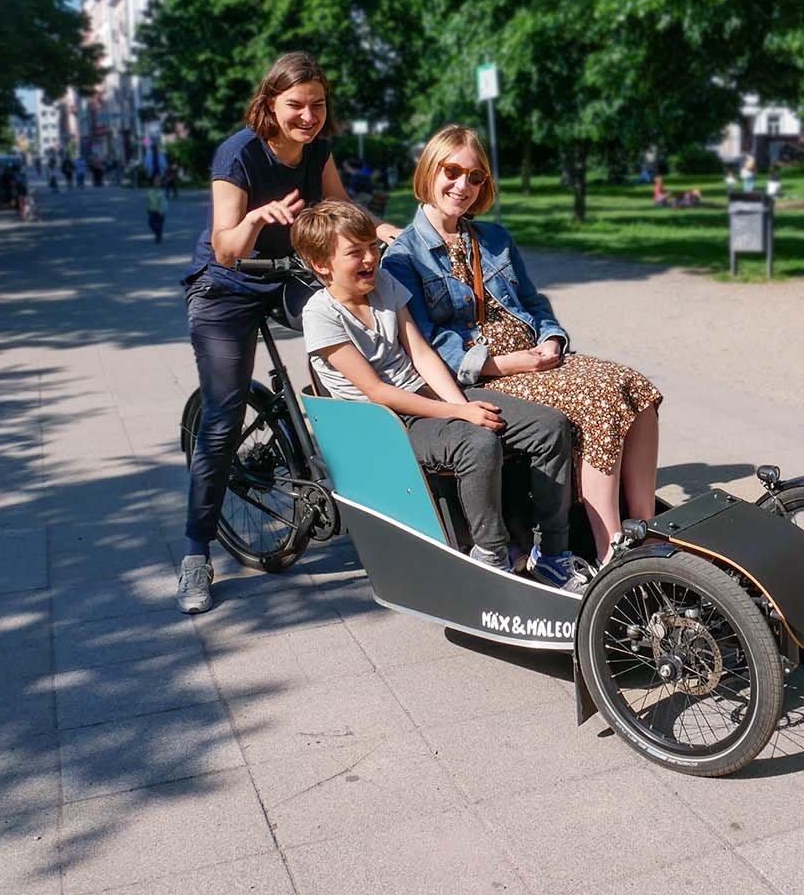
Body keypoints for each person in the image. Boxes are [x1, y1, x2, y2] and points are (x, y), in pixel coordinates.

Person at [177, 51, 403, 614]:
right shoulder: (238, 154)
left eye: (317, 105)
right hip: (227, 286)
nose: (308, 116)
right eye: (296, 106)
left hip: (286, 277)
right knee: (223, 416)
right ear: (271, 105)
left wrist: (383, 231)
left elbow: (341, 210)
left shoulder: (317, 150)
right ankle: (195, 554)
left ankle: (341, 453)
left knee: (351, 331)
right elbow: (226, 247)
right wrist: (256, 218)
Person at [384, 125, 662, 563]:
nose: (463, 186)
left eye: (476, 177)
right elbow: (429, 344)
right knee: (601, 399)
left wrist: (552, 338)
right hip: (482, 374)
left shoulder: (495, 239)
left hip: (537, 358)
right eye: (452, 171)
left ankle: (643, 529)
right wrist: (502, 364)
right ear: (429, 170)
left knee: (636, 387)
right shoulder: (403, 255)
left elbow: (534, 303)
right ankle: (611, 550)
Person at [294, 200, 583, 588]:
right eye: (355, 253)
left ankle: (552, 553)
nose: (370, 259)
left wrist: (461, 406)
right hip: (385, 423)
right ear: (321, 264)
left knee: (549, 427)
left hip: (426, 394)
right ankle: (491, 555)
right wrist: (460, 416)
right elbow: (377, 392)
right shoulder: (320, 316)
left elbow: (421, 353)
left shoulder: (383, 284)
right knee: (477, 444)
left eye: (372, 247)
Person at [147, 175, 168, 244]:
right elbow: (149, 201)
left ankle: (158, 237)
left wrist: (163, 211)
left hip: (161, 212)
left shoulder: (162, 192)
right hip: (153, 211)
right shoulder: (150, 192)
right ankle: (157, 234)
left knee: (160, 225)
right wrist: (148, 209)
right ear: (153, 182)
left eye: (158, 182)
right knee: (151, 223)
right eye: (155, 181)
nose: (156, 183)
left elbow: (165, 203)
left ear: (160, 183)